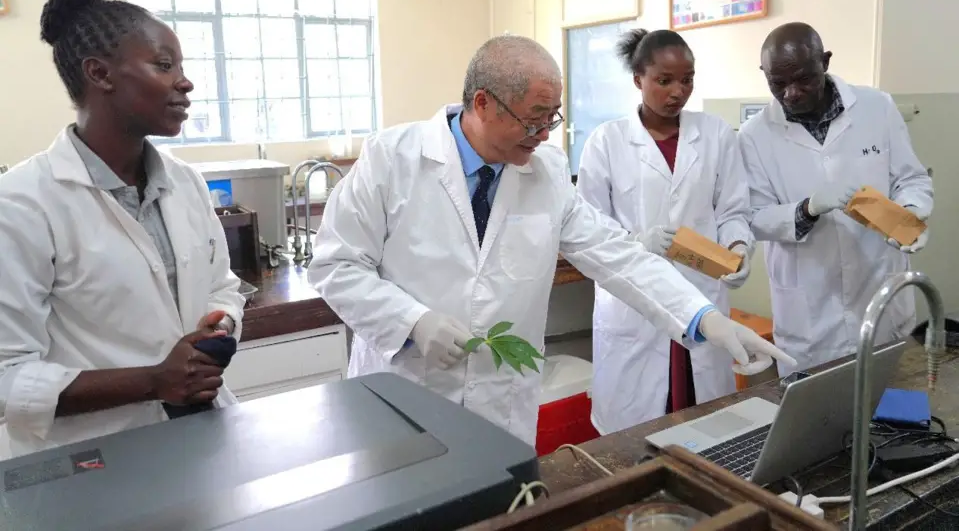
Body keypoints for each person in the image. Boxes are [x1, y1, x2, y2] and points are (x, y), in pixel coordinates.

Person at [309, 34, 793, 444]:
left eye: (553, 117)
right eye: (534, 117)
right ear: (482, 103)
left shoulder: (546, 173)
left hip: (501, 402)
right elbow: (335, 266)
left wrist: (705, 320)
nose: (544, 133)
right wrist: (412, 321)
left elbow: (618, 257)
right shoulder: (392, 160)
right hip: (408, 391)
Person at [0, 0, 244, 458]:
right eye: (163, 64)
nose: (185, 82)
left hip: (198, 433)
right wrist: (154, 381)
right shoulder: (22, 203)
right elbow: (6, 378)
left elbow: (222, 285)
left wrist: (221, 322)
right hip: (91, 459)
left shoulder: (186, 182)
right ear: (100, 73)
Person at [577, 29, 752, 435]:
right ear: (638, 79)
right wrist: (636, 244)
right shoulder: (607, 142)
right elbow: (586, 229)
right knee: (635, 436)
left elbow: (733, 209)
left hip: (701, 293)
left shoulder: (716, 135)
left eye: (687, 79)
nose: (678, 91)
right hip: (635, 307)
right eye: (664, 80)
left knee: (705, 425)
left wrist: (739, 245)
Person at [739, 22, 933, 375]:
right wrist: (805, 209)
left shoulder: (877, 107)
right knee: (818, 420)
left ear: (824, 62)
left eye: (803, 79)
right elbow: (753, 216)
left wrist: (911, 215)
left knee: (893, 413)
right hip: (809, 313)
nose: (791, 94)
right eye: (777, 84)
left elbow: (911, 178)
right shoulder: (754, 135)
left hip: (879, 288)